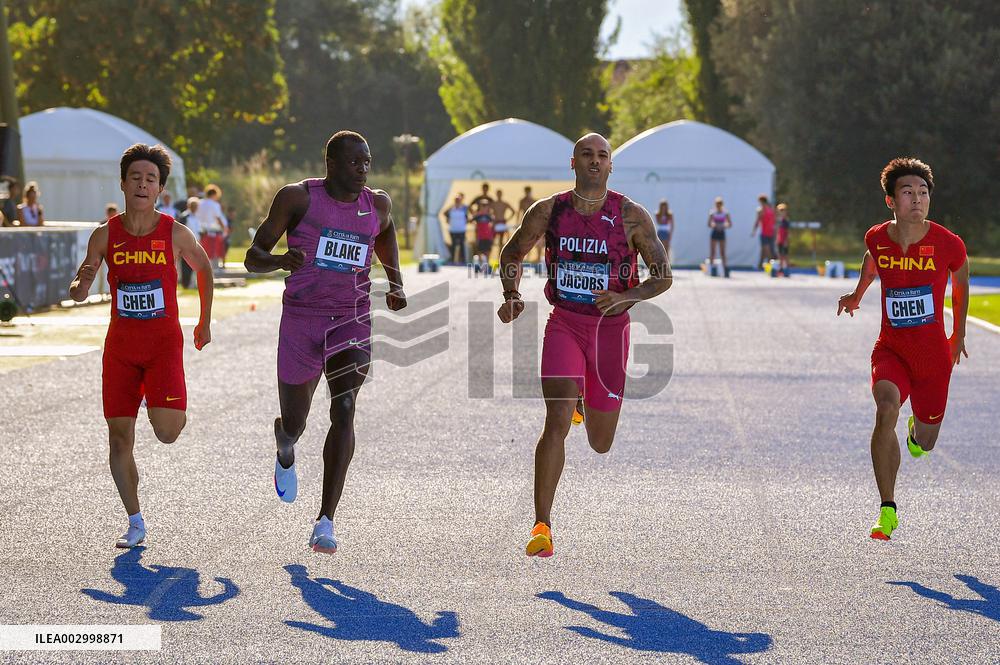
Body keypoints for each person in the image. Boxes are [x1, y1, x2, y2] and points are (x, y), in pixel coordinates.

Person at [497, 133, 672, 558]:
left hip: (610, 332)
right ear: (572, 162)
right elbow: (512, 253)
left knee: (600, 442)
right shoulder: (550, 210)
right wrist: (512, 294)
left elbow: (663, 275)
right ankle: (542, 525)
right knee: (555, 420)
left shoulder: (630, 216)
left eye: (602, 156)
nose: (595, 161)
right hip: (565, 325)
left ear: (611, 165)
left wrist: (627, 296)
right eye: (587, 154)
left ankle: (584, 398)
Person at [244, 130, 406, 554]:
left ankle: (325, 520)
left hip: (351, 318)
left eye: (367, 162)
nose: (363, 169)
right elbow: (252, 256)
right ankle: (285, 442)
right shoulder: (297, 199)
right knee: (295, 422)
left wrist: (395, 282)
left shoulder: (377, 204)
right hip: (302, 321)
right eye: (354, 162)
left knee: (345, 406)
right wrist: (280, 260)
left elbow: (385, 231)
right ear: (331, 164)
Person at [68, 144, 214, 548]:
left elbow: (204, 268)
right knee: (119, 438)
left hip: (162, 346)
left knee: (167, 433)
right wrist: (80, 284)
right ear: (123, 183)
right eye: (135, 177)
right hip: (120, 349)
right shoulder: (105, 234)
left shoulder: (175, 232)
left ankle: (160, 400)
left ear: (160, 188)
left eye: (151, 179)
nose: (142, 185)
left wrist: (204, 320)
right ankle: (135, 521)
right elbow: (83, 277)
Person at [836, 157, 969, 541]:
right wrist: (857, 294)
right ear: (891, 201)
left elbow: (961, 281)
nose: (917, 199)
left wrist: (958, 334)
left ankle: (916, 434)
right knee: (885, 410)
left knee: (926, 443)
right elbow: (872, 260)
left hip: (933, 359)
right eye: (908, 192)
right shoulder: (877, 237)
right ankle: (887, 509)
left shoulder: (948, 243)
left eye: (923, 192)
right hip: (891, 349)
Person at [195, 184, 228, 271]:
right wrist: (224, 228)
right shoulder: (215, 204)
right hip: (212, 231)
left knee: (202, 252)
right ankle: (213, 271)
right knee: (213, 253)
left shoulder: (200, 203)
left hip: (200, 231)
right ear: (214, 194)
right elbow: (218, 218)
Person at [178, 197, 202, 288]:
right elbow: (180, 230)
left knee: (194, 263)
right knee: (186, 264)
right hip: (186, 244)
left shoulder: (197, 217)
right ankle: (185, 283)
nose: (195, 208)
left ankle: (193, 283)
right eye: (193, 206)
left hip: (196, 243)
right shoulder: (184, 216)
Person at [707, 197, 731, 277]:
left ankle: (725, 269)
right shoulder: (712, 213)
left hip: (721, 232)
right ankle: (712, 269)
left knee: (722, 252)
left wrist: (724, 225)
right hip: (715, 232)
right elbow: (709, 223)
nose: (718, 206)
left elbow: (729, 224)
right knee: (713, 252)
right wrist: (714, 225)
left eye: (720, 204)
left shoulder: (725, 213)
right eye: (717, 204)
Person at [442, 195, 470, 264]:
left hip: (461, 230)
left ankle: (463, 260)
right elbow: (444, 213)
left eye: (458, 200)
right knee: (453, 245)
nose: (457, 202)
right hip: (453, 230)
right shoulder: (451, 208)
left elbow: (467, 217)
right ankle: (452, 260)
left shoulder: (464, 208)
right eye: (456, 200)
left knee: (462, 245)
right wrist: (448, 219)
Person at [518, 185, 542, 265]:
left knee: (537, 240)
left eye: (528, 192)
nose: (527, 193)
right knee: (525, 241)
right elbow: (519, 212)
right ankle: (526, 258)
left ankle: (538, 258)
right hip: (525, 223)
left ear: (530, 192)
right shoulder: (522, 201)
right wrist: (518, 222)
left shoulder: (534, 201)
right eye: (526, 192)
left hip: (534, 223)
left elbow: (538, 213)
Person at [751, 194, 776, 269]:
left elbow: (773, 220)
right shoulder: (762, 210)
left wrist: (754, 231)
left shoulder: (768, 209)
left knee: (766, 251)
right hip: (765, 233)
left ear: (762, 201)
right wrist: (754, 231)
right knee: (766, 251)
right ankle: (765, 267)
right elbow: (758, 221)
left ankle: (766, 267)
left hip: (770, 233)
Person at [472, 204, 495, 268]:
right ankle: (480, 263)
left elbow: (492, 224)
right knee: (479, 250)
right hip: (480, 236)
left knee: (488, 250)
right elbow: (472, 221)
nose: (484, 209)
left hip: (488, 235)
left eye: (485, 207)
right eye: (482, 207)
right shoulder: (478, 216)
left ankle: (487, 263)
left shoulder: (489, 216)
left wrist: (492, 236)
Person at [776, 203, 791, 276]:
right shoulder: (779, 220)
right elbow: (778, 231)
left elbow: (788, 232)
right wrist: (777, 239)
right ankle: (780, 268)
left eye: (783, 211)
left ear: (786, 212)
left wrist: (786, 241)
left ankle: (787, 269)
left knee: (785, 255)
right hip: (780, 240)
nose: (781, 213)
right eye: (780, 211)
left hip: (784, 240)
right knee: (780, 255)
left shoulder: (786, 221)